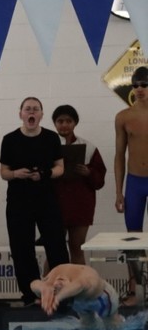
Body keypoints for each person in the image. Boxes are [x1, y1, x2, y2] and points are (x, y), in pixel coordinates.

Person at [0, 96, 69, 306]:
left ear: (41, 115)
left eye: (35, 109)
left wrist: (45, 174)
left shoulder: (51, 138)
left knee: (56, 244)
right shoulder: (10, 139)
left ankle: (61, 293)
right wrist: (16, 174)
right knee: (22, 248)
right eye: (27, 109)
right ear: (20, 113)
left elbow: (60, 168)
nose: (31, 113)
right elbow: (4, 172)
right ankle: (30, 295)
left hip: (46, 198)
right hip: (19, 200)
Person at [52, 105, 106, 265]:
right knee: (54, 249)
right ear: (54, 123)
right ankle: (48, 289)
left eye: (68, 121)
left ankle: (79, 288)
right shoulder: (47, 145)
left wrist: (88, 172)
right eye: (60, 121)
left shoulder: (89, 148)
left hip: (80, 205)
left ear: (75, 123)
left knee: (76, 248)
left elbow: (100, 180)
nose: (64, 125)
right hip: (54, 204)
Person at [114, 66, 148, 301]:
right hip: (134, 182)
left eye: (144, 84)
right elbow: (119, 155)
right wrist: (118, 191)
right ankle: (134, 289)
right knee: (132, 237)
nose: (139, 89)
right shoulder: (123, 117)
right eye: (135, 84)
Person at [30, 264, 122, 330]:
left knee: (109, 325)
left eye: (55, 289)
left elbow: (33, 284)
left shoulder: (51, 283)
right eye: (60, 288)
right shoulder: (85, 286)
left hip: (93, 300)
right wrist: (59, 297)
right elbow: (80, 284)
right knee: (95, 328)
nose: (57, 283)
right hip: (96, 300)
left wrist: (43, 288)